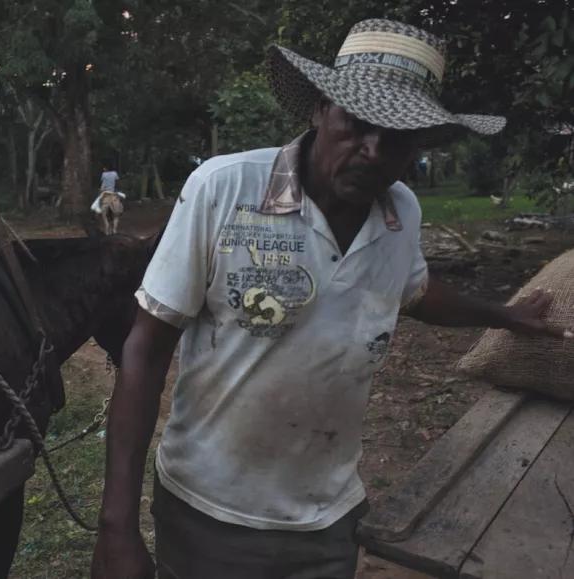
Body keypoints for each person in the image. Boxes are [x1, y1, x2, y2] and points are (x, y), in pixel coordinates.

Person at [91, 19, 570, 579]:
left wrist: (503, 316)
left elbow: (413, 292)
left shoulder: (401, 214)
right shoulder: (224, 190)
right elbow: (146, 349)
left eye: (397, 137)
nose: (373, 150)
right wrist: (116, 526)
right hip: (211, 513)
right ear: (320, 109)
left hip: (329, 518)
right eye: (358, 123)